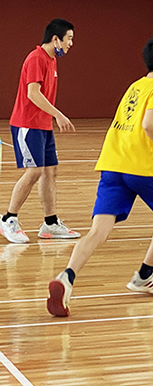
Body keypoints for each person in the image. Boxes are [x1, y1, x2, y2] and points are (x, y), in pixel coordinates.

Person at [47, 38, 153, 317]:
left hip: (113, 163)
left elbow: (135, 125)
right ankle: (145, 275)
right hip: (140, 167)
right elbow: (148, 124)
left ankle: (67, 277)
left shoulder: (136, 86)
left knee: (98, 231)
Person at [1, 19, 80, 245]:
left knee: (50, 171)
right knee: (34, 171)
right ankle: (8, 219)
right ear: (55, 39)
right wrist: (58, 115)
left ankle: (50, 223)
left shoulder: (51, 60)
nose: (71, 43)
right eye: (69, 38)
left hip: (42, 125)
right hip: (27, 125)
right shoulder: (36, 58)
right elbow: (33, 94)